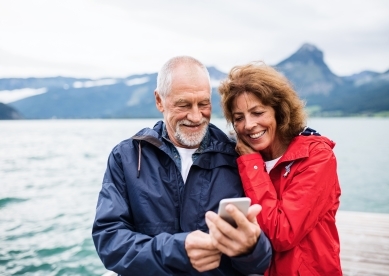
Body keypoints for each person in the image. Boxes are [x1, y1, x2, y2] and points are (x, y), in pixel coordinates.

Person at [92, 56, 272, 276]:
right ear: (159, 101)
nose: (196, 116)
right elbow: (109, 241)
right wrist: (177, 250)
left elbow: (261, 261)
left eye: (204, 104)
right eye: (184, 105)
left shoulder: (238, 156)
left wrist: (251, 247)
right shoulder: (127, 156)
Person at [217, 62, 342, 275]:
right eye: (239, 118)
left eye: (257, 112)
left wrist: (252, 165)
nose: (248, 125)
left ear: (279, 111)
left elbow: (282, 233)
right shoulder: (239, 158)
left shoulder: (316, 156)